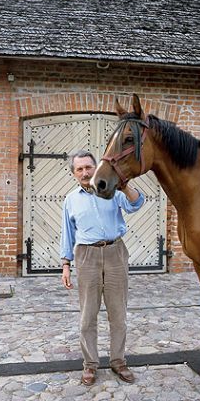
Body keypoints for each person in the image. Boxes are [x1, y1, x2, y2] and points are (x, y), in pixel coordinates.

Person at [60, 150, 145, 386]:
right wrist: (65, 264)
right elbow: (67, 233)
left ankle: (118, 361)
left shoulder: (112, 190)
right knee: (88, 315)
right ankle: (90, 365)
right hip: (86, 256)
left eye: (88, 167)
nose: (85, 172)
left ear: (96, 167)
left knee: (118, 314)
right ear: (74, 173)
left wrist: (125, 186)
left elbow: (137, 203)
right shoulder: (71, 200)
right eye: (80, 169)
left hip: (115, 252)